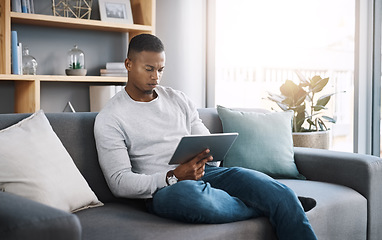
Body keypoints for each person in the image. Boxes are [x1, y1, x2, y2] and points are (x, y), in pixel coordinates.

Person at [94, 34, 317, 240]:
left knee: (276, 189)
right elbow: (119, 182)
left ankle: (279, 200)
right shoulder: (110, 118)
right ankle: (275, 205)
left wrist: (208, 156)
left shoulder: (178, 99)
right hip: (167, 188)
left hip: (208, 172)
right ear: (128, 64)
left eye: (161, 70)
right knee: (192, 198)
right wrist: (173, 176)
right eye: (149, 69)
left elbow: (205, 140)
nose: (156, 77)